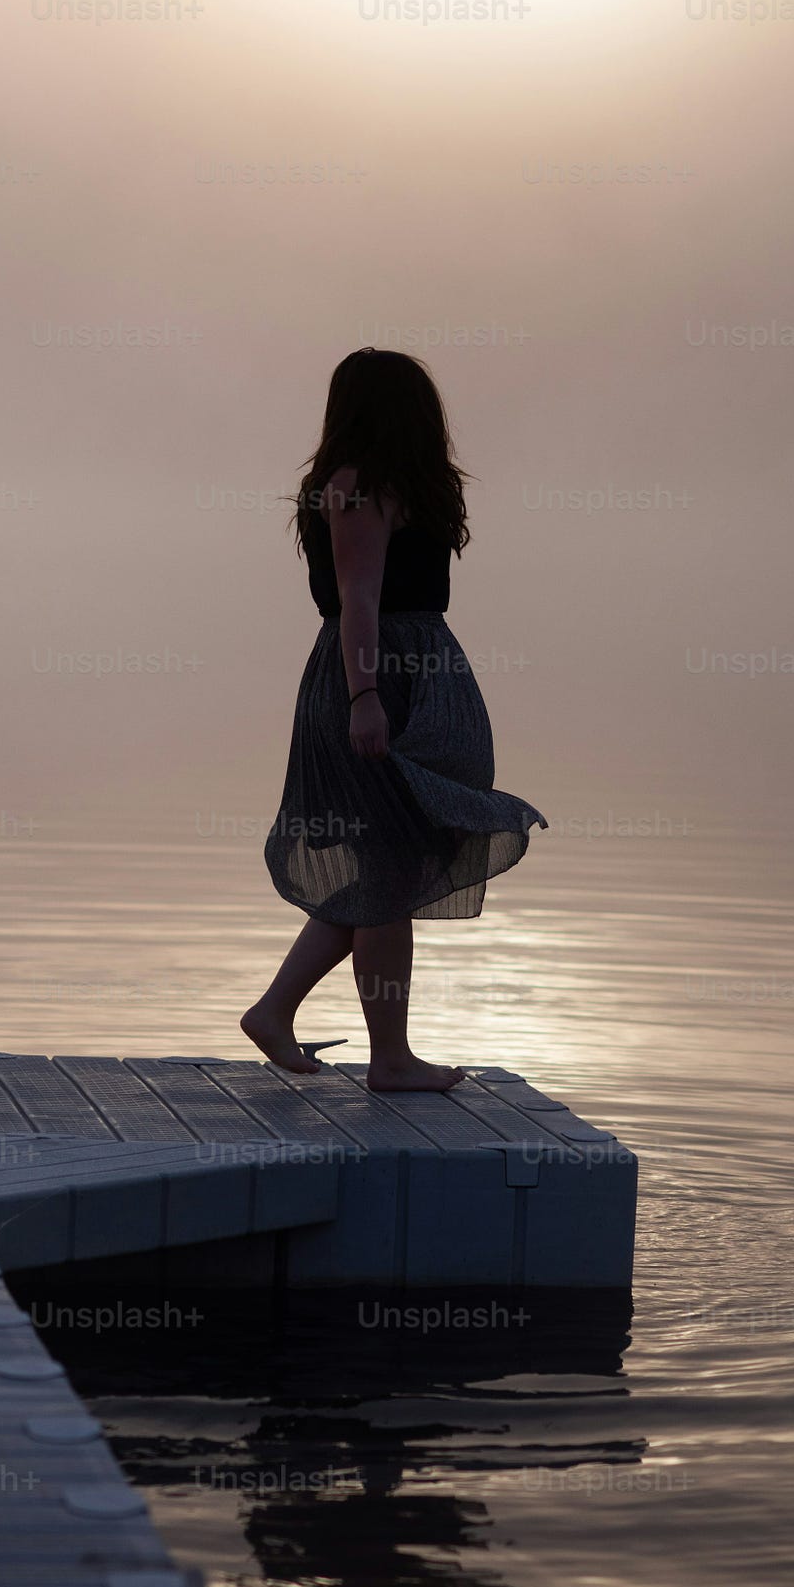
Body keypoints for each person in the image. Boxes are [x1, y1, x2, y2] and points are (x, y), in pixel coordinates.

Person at [242, 347, 546, 1092]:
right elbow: (359, 602)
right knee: (388, 867)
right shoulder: (353, 490)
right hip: (370, 676)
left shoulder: (403, 489)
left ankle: (281, 1013)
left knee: (393, 865)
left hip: (418, 670)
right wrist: (365, 698)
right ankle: (389, 1059)